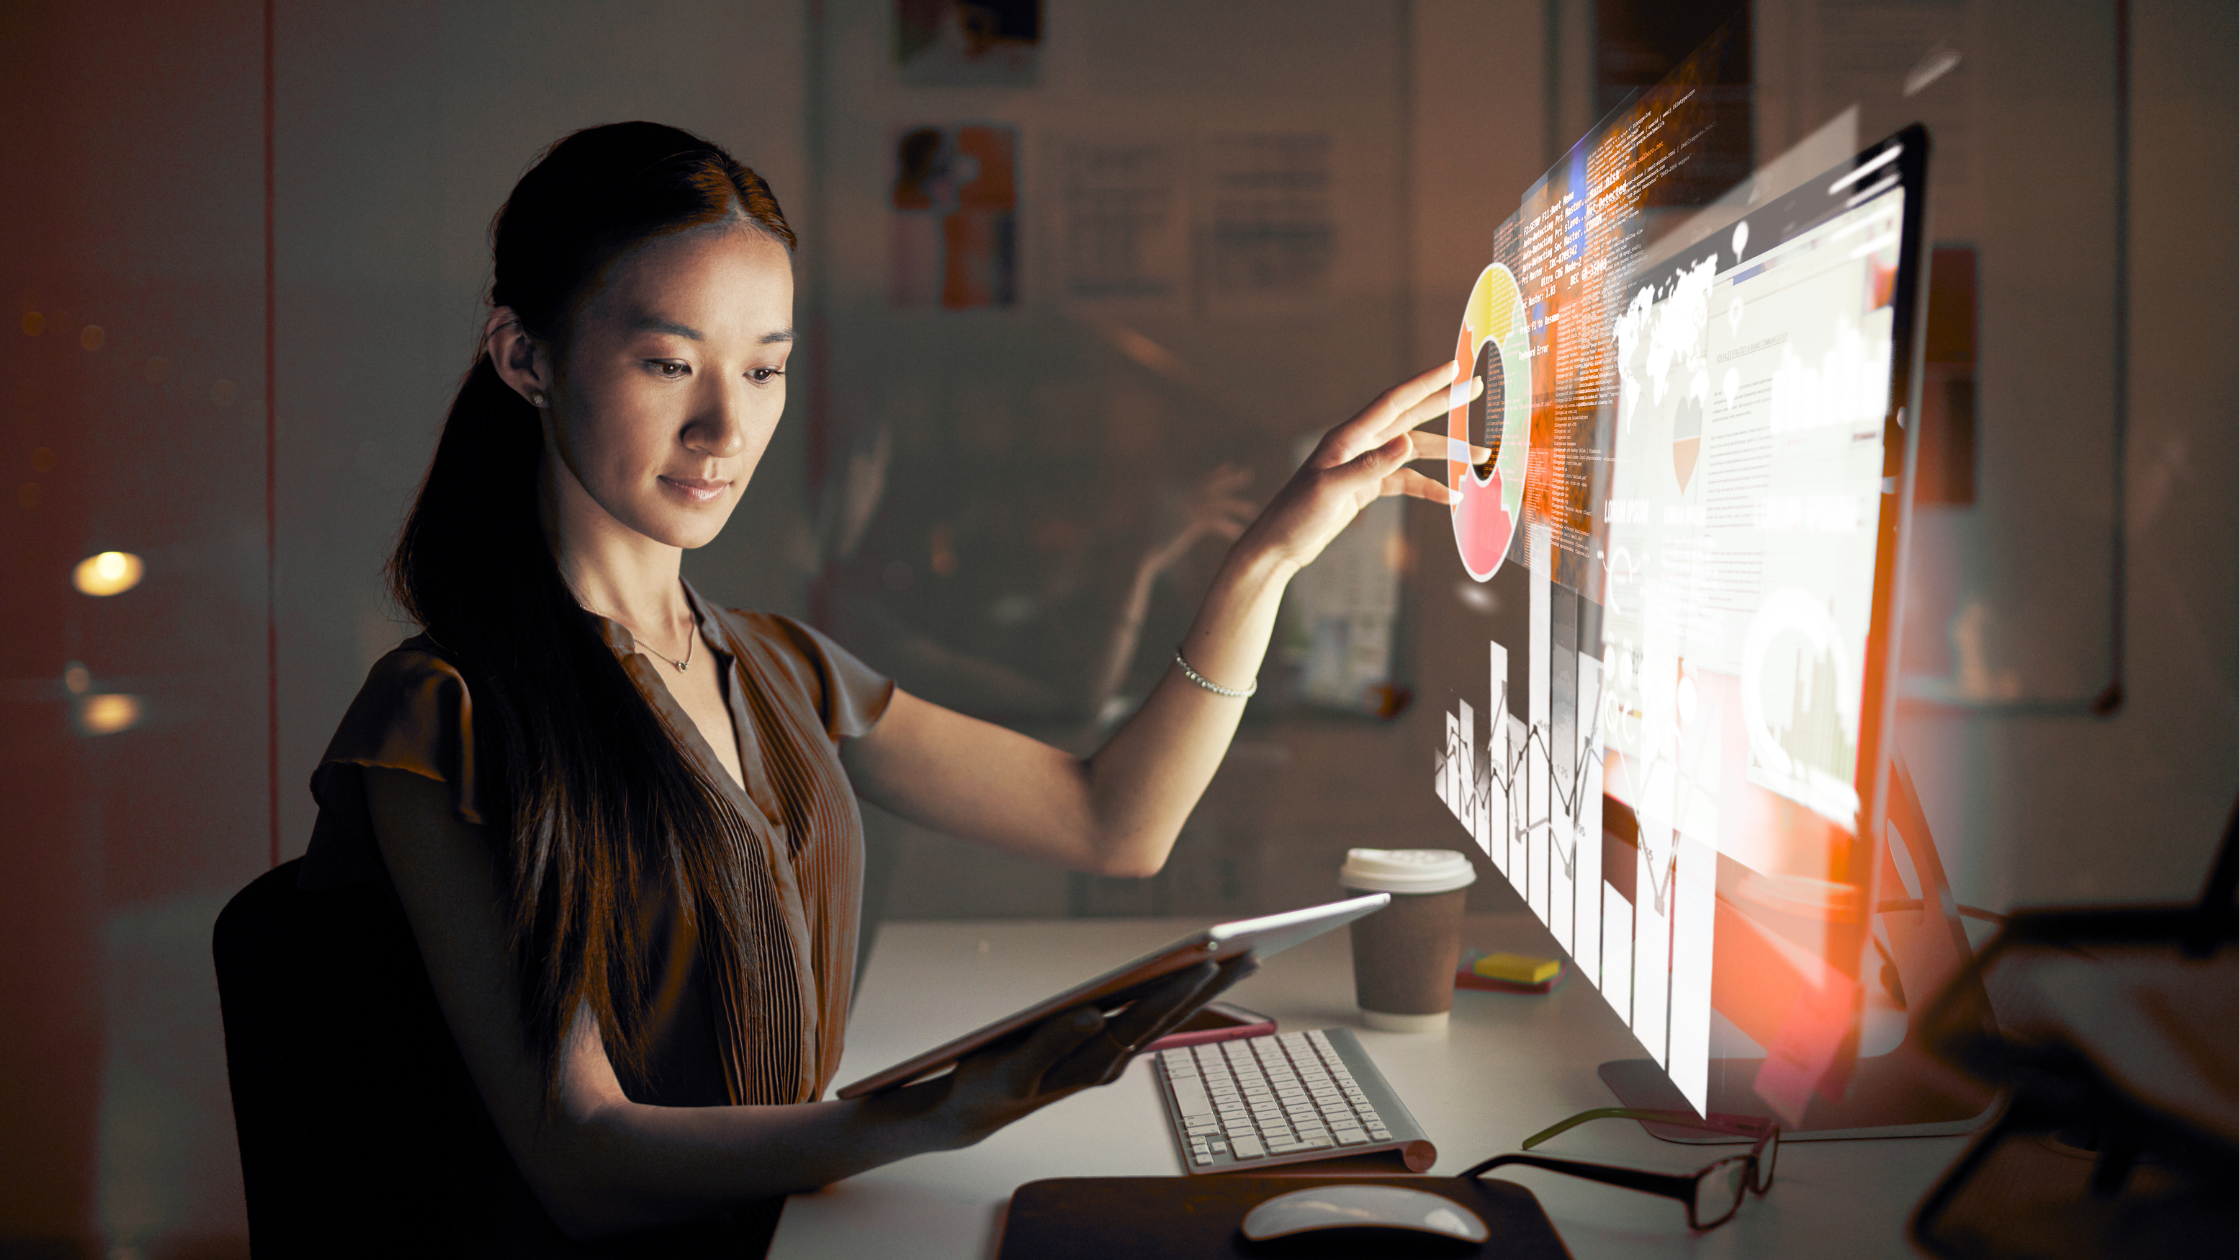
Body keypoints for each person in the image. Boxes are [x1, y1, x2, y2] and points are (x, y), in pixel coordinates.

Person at [302, 121, 1481, 1252]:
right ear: (526, 358)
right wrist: (927, 1115)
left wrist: (1266, 558)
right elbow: (578, 1161)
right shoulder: (445, 717)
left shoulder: (779, 667)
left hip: (816, 1223)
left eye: (765, 369)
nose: (726, 426)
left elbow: (1113, 820)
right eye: (669, 362)